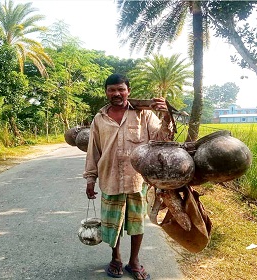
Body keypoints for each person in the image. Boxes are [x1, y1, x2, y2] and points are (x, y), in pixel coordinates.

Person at [83, 73, 173, 280]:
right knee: (112, 224)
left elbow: (161, 139)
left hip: (137, 179)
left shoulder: (144, 115)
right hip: (110, 179)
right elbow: (93, 151)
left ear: (128, 91)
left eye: (121, 89)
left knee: (136, 223)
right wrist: (90, 179)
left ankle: (134, 261)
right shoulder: (99, 119)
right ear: (106, 92)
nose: (117, 93)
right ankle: (116, 258)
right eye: (112, 89)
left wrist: (167, 115)